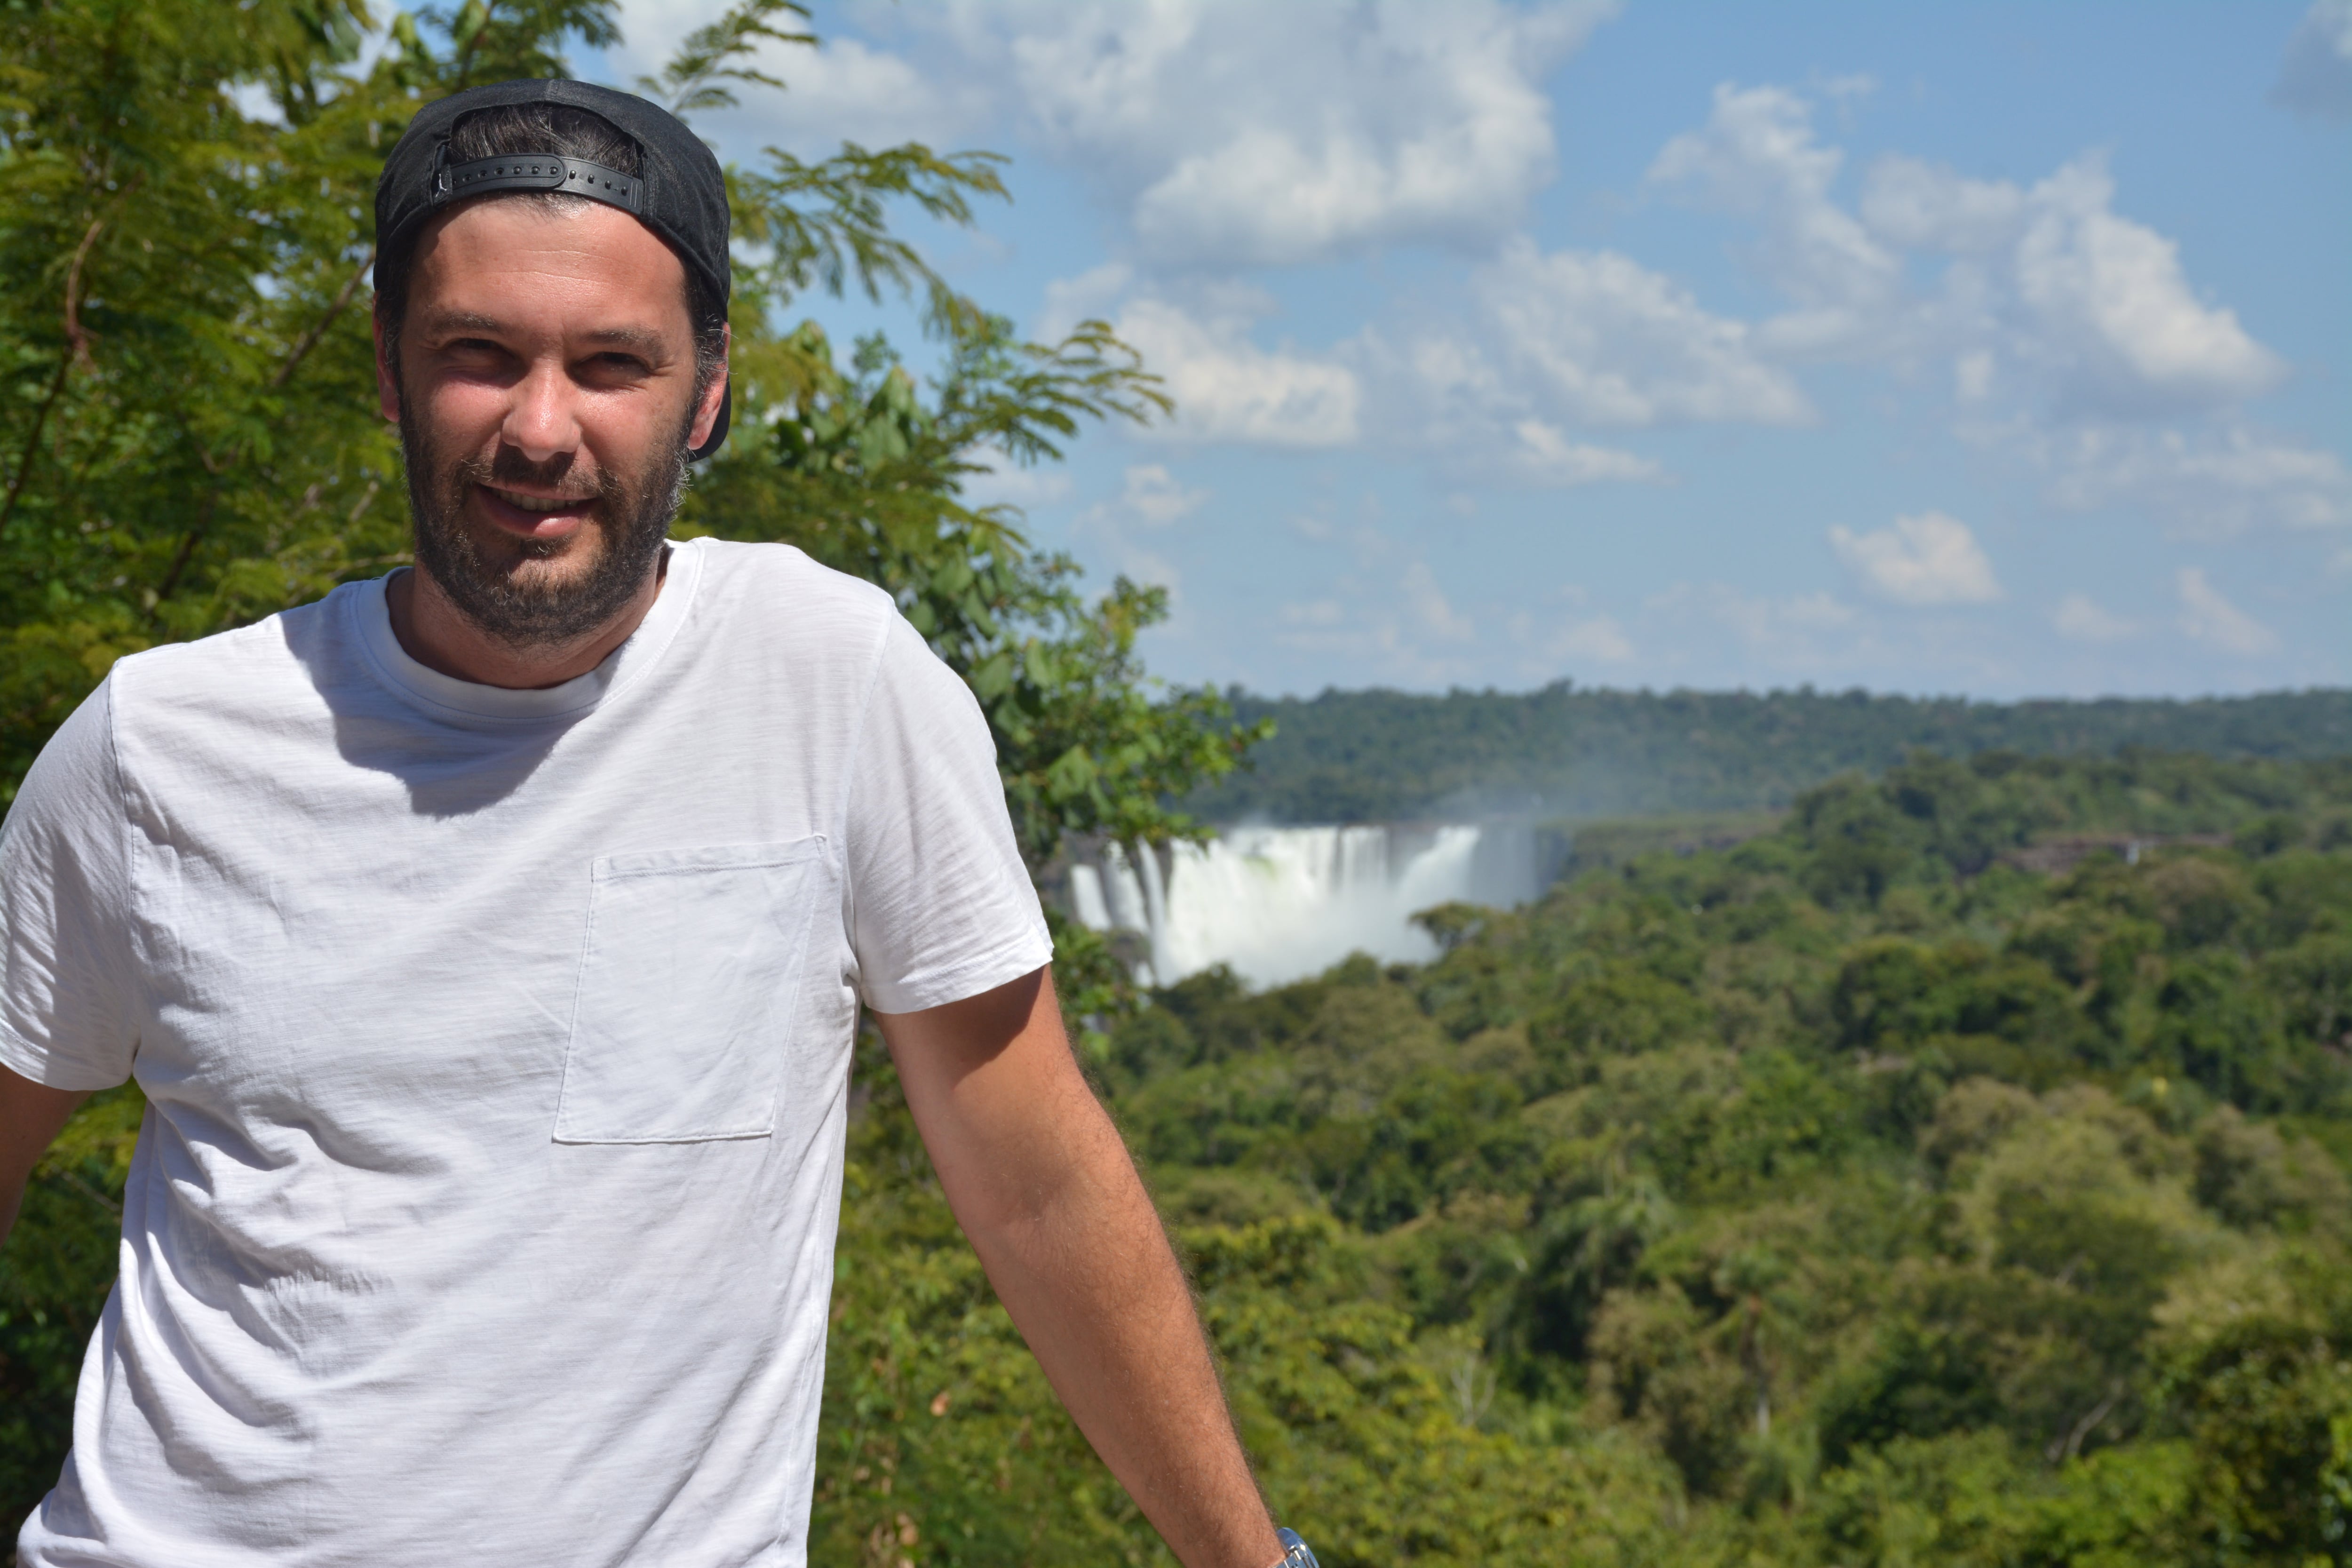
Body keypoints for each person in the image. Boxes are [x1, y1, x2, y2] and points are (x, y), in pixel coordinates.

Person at [0, 79, 1317, 1568]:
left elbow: (1035, 1183)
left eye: (611, 362)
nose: (540, 427)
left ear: (706, 393)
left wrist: (1253, 1561)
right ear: (386, 368)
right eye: (477, 355)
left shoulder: (833, 687)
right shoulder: (155, 748)